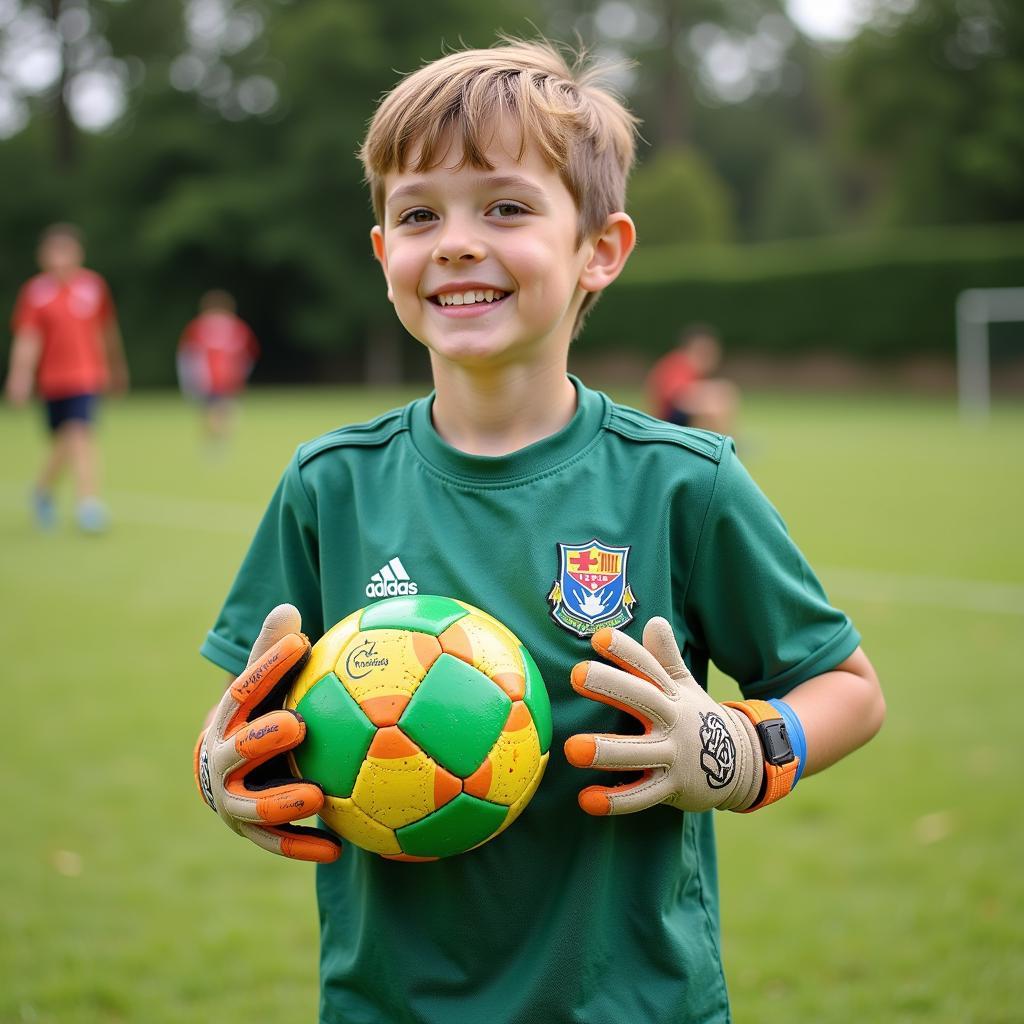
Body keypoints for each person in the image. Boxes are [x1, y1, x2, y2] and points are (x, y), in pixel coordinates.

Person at [193, 39, 884, 1024]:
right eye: (419, 213)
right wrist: (223, 773)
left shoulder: (682, 481)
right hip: (386, 1005)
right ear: (385, 250)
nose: (458, 241)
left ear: (599, 247)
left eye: (505, 207)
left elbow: (849, 690)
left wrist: (735, 747)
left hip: (632, 1004)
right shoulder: (327, 486)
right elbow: (242, 722)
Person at [4, 222, 129, 532]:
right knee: (64, 439)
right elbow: (28, 338)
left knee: (80, 433)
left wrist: (116, 366)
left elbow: (106, 331)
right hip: (52, 379)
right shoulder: (36, 293)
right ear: (43, 257)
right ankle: (43, 491)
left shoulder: (93, 287)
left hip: (86, 375)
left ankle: (88, 503)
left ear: (78, 254)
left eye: (66, 252)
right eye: (53, 253)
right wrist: (19, 375)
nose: (60, 260)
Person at [176, 289, 260, 449]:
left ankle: (215, 445)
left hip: (214, 380)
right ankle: (217, 445)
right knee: (220, 414)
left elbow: (187, 356)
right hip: (218, 380)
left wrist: (188, 381)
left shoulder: (199, 327)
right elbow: (248, 357)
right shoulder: (237, 328)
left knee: (214, 414)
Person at [647, 323, 739, 435]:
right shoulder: (677, 364)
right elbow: (677, 396)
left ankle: (722, 440)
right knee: (713, 405)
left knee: (719, 394)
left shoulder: (694, 368)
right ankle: (714, 442)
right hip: (667, 420)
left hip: (679, 416)